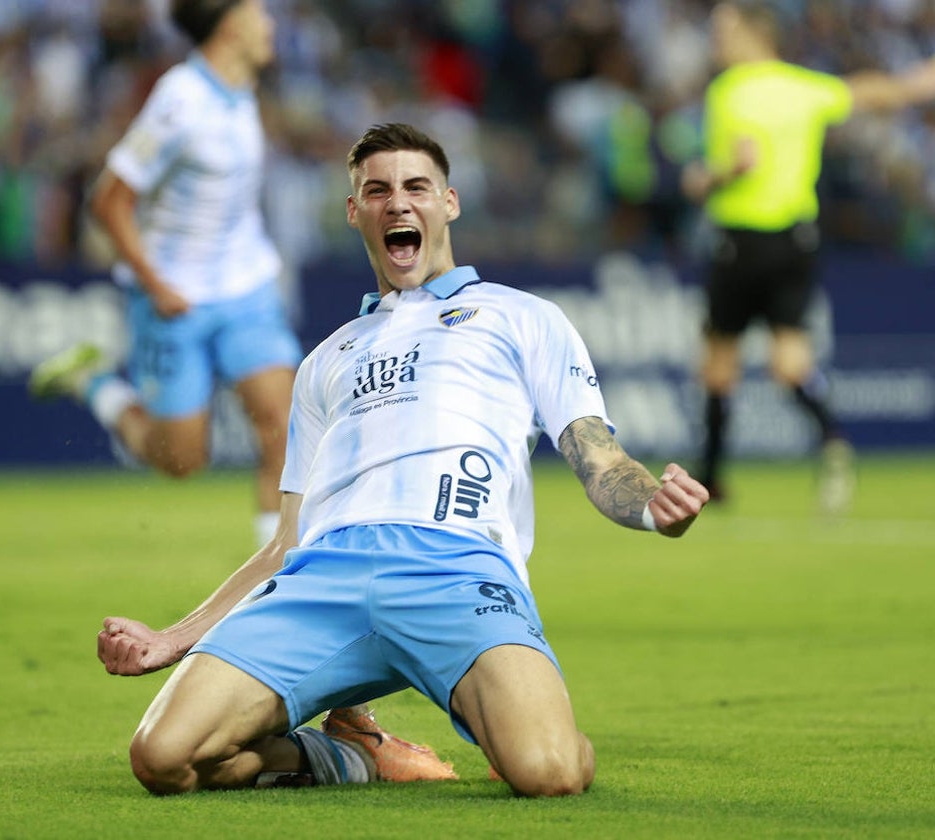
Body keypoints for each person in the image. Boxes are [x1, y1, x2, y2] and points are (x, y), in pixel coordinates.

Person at [96, 123, 710, 797]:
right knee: (164, 757)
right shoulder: (322, 362)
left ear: (448, 202)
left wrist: (652, 507)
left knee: (550, 771)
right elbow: (284, 543)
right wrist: (172, 639)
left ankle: (519, 721)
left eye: (416, 187)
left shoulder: (521, 317)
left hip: (455, 570)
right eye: (377, 190)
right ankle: (347, 755)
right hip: (321, 582)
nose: (398, 203)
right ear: (354, 212)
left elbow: (600, 460)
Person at [28, 0, 300, 548]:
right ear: (230, 24)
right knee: (181, 460)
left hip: (246, 290)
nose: (270, 23)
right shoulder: (181, 99)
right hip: (175, 299)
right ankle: (94, 384)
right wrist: (156, 286)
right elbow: (108, 201)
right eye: (259, 12)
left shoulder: (243, 90)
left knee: (286, 432)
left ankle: (276, 577)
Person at [681, 0, 935, 512]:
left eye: (724, 30)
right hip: (797, 241)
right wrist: (914, 82)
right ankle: (834, 440)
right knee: (791, 362)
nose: (717, 39)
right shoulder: (804, 88)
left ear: (754, 34)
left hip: (742, 241)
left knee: (717, 366)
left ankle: (711, 479)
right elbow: (870, 93)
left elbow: (715, 175)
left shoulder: (727, 92)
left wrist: (712, 176)